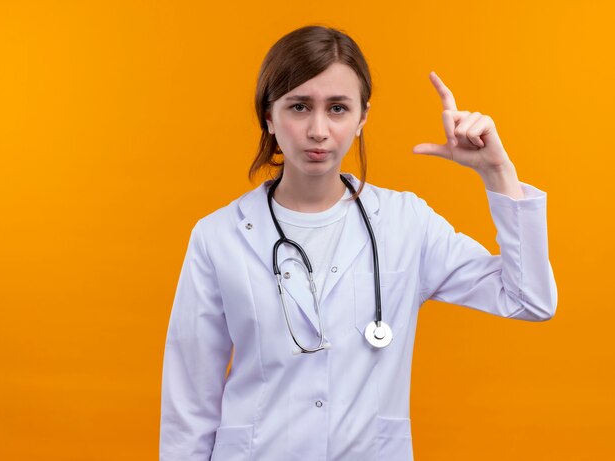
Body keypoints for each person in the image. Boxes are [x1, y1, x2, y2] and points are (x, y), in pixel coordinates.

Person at [159, 25, 557, 461]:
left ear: (362, 116)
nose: (318, 130)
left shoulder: (407, 224)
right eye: (298, 106)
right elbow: (189, 403)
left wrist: (498, 173)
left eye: (337, 108)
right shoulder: (218, 237)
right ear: (268, 116)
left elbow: (529, 300)